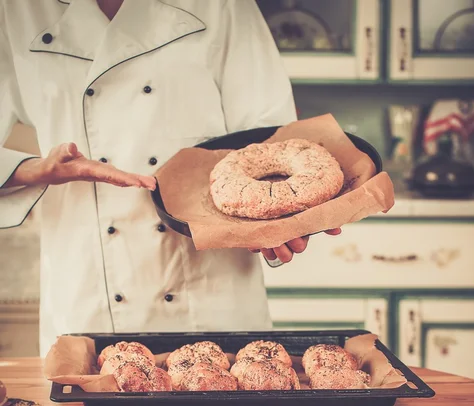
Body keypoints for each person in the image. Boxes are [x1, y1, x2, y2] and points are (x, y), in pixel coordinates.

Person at [0, 0, 340, 356]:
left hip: (210, 289)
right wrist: (35, 169)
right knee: (86, 405)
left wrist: (282, 225)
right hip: (89, 288)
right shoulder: (18, 9)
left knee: (224, 396)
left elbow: (271, 139)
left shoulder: (223, 5)